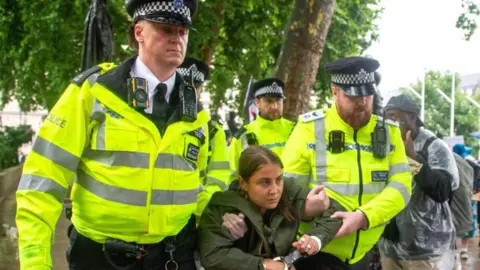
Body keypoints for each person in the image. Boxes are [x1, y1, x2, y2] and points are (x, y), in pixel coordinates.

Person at [15, 1, 225, 269]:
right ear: (139, 32)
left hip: (173, 255)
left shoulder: (196, 111)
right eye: (165, 29)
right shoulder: (94, 93)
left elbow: (193, 186)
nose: (176, 38)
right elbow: (42, 182)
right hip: (101, 257)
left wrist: (224, 217)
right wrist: (35, 261)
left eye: (182, 31)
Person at [281, 56, 412, 269]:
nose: (362, 102)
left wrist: (362, 217)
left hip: (367, 254)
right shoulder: (309, 128)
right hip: (318, 254)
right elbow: (285, 190)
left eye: (367, 95)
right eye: (352, 96)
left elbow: (402, 186)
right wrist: (304, 209)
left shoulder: (389, 132)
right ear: (334, 91)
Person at [199, 146, 337, 270]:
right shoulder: (222, 207)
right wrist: (265, 265)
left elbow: (335, 210)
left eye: (278, 180)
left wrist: (315, 239)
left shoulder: (289, 191)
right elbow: (213, 255)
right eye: (265, 182)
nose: (275, 190)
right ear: (243, 183)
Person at [379, 94, 459, 269]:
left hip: (426, 249)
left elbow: (443, 190)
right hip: (390, 247)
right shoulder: (385, 145)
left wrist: (414, 158)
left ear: (413, 118)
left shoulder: (433, 146)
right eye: (387, 117)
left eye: (395, 116)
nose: (390, 122)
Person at [177, 57, 231, 193]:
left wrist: (204, 205)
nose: (190, 91)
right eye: (183, 84)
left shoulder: (213, 130)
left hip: (198, 207)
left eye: (196, 87)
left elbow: (219, 175)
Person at [228, 78, 295, 176]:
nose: (275, 106)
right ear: (257, 102)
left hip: (294, 190)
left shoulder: (295, 130)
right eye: (269, 101)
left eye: (278, 100)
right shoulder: (243, 136)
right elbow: (232, 174)